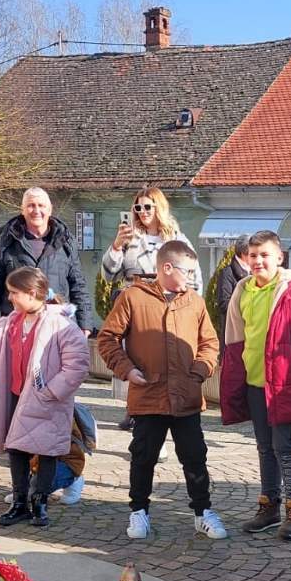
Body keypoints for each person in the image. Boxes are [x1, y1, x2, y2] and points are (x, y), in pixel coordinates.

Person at [97, 240, 225, 540]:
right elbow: (107, 338)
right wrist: (127, 369)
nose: (192, 278)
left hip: (187, 396)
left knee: (195, 457)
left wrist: (199, 371)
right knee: (143, 456)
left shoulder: (195, 301)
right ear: (167, 267)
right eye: (187, 271)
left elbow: (209, 343)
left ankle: (202, 512)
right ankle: (139, 511)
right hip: (148, 395)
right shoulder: (133, 297)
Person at [219, 232, 291, 539]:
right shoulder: (243, 290)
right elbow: (236, 336)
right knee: (264, 447)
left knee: (286, 447)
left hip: (285, 383)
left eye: (264, 255)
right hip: (255, 382)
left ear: (279, 257)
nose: (258, 261)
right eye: (253, 255)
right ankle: (269, 507)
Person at [0, 267, 90, 528]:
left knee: (46, 450)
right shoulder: (11, 322)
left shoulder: (60, 324)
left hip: (45, 398)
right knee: (15, 448)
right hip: (15, 395)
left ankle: (39, 502)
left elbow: (77, 365)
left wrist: (51, 391)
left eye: (14, 292)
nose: (9, 298)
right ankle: (20, 502)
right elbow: (2, 359)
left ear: (31, 293)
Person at [103, 187, 195, 436]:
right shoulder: (130, 238)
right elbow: (108, 274)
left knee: (165, 359)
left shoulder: (176, 238)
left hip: (170, 305)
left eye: (147, 207)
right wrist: (116, 246)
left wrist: (189, 304)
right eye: (138, 207)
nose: (142, 212)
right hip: (137, 307)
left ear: (159, 208)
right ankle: (138, 413)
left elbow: (193, 275)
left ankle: (162, 415)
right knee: (139, 360)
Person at [0, 188, 93, 335]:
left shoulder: (65, 241)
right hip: (17, 328)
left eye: (41, 205)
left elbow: (78, 285)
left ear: (50, 209)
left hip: (57, 327)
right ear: (22, 210)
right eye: (31, 205)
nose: (36, 210)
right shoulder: (6, 242)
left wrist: (85, 325)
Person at [212, 236, 251, 321]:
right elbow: (223, 304)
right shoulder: (227, 273)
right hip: (233, 324)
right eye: (253, 254)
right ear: (243, 254)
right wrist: (246, 306)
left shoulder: (253, 271)